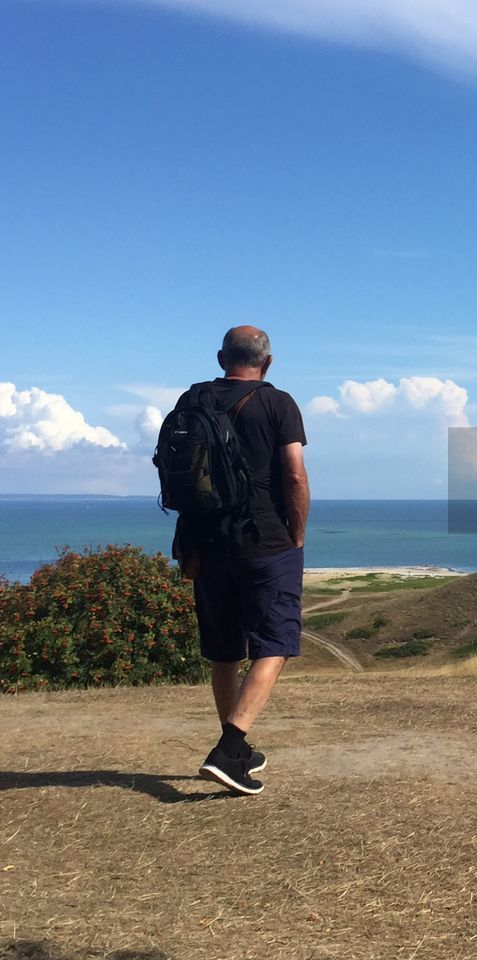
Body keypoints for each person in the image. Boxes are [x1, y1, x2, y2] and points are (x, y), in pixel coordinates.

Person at [172, 326, 310, 795]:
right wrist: (297, 534)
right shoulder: (278, 403)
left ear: (220, 358)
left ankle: (238, 750)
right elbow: (293, 474)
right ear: (267, 362)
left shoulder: (192, 401)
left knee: (224, 651)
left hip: (205, 542)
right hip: (264, 541)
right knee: (274, 643)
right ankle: (230, 749)